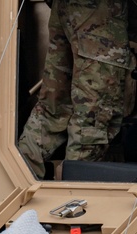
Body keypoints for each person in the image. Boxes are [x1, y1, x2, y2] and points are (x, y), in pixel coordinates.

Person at [17, 0, 134, 178]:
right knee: (94, 117)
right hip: (101, 13)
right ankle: (73, 195)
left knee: (52, 111)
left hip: (67, 8)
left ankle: (19, 182)